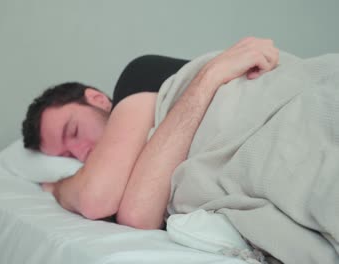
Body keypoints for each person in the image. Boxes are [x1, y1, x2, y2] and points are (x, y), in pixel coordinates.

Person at [22, 37, 279, 230]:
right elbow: (137, 215)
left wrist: (58, 188)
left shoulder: (138, 76)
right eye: (66, 155)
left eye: (74, 131)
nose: (80, 152)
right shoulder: (137, 180)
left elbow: (95, 197)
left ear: (97, 99)